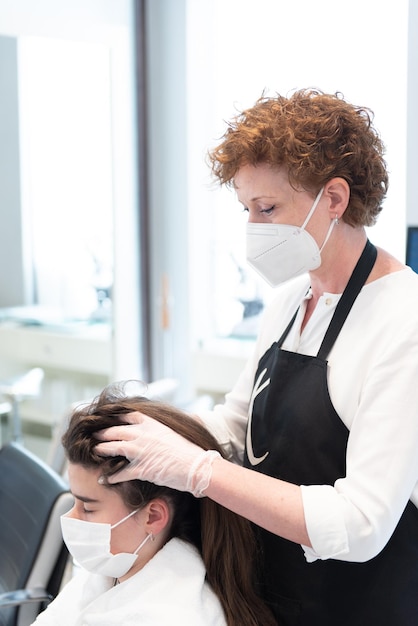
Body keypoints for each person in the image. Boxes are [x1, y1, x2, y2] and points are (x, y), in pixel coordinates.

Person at [95, 89, 418, 625]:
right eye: (247, 209)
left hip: (357, 604)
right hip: (273, 592)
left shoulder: (403, 322)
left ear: (334, 199)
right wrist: (144, 429)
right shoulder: (293, 299)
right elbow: (242, 425)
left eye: (267, 208)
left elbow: (362, 523)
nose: (253, 228)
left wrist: (200, 470)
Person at [31, 383, 276, 626]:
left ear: (153, 517)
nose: (71, 518)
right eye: (75, 501)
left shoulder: (176, 616)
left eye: (88, 508)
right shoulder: (116, 568)